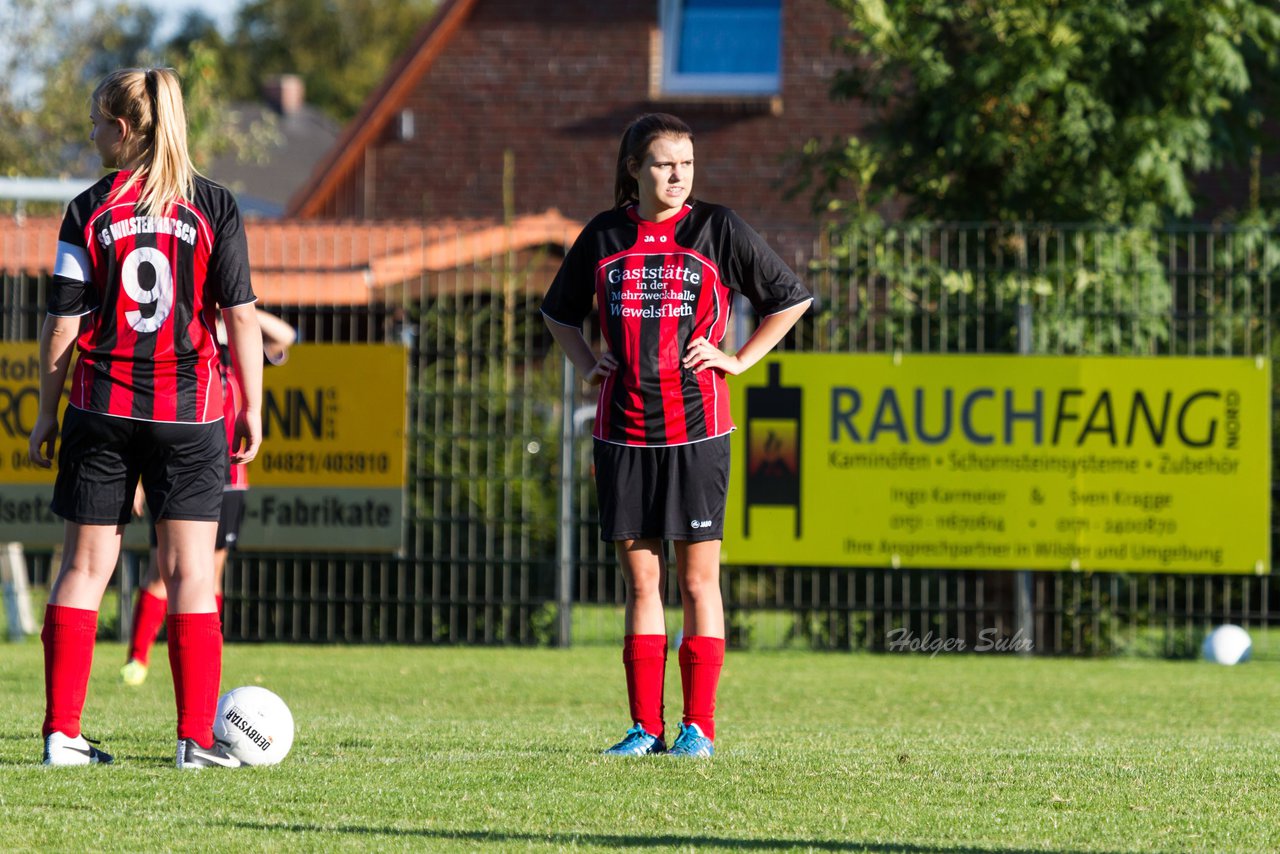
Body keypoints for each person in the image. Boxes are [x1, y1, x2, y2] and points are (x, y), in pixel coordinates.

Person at [541, 113, 812, 757]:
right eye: (664, 163)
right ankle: (644, 728)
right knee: (641, 585)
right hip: (624, 432)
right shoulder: (605, 235)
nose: (678, 176)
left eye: (687, 164)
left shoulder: (717, 227)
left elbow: (790, 299)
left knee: (697, 582)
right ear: (634, 168)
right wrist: (587, 364)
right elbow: (557, 312)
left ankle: (700, 728)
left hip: (698, 431)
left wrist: (738, 360)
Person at [28, 67, 263, 769]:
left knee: (84, 566)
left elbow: (62, 323)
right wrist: (251, 405)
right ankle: (195, 741)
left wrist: (45, 411)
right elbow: (241, 318)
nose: (92, 134)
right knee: (192, 570)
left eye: (98, 123)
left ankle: (62, 736)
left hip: (101, 404)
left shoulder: (88, 209)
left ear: (124, 131)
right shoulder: (213, 205)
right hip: (190, 414)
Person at [120, 309, 295, 687]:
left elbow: (285, 336)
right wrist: (136, 481)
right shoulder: (179, 342)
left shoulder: (237, 347)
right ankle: (138, 658)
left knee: (211, 574)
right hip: (174, 475)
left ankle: (205, 652)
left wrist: (243, 308)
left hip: (228, 480)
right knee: (161, 571)